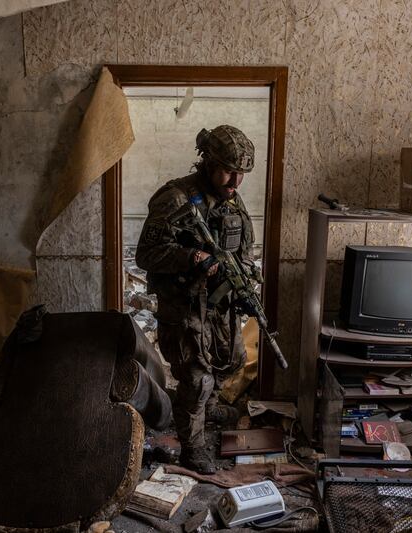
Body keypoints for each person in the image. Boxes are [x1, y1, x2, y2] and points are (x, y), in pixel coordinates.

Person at [135, 124, 259, 474]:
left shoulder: (230, 198)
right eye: (228, 171)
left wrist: (244, 275)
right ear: (207, 162)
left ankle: (210, 405)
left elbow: (243, 246)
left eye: (241, 174)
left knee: (232, 359)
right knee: (195, 378)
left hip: (221, 304)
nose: (235, 180)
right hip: (185, 305)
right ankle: (193, 446)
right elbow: (147, 254)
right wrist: (192, 258)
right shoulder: (175, 198)